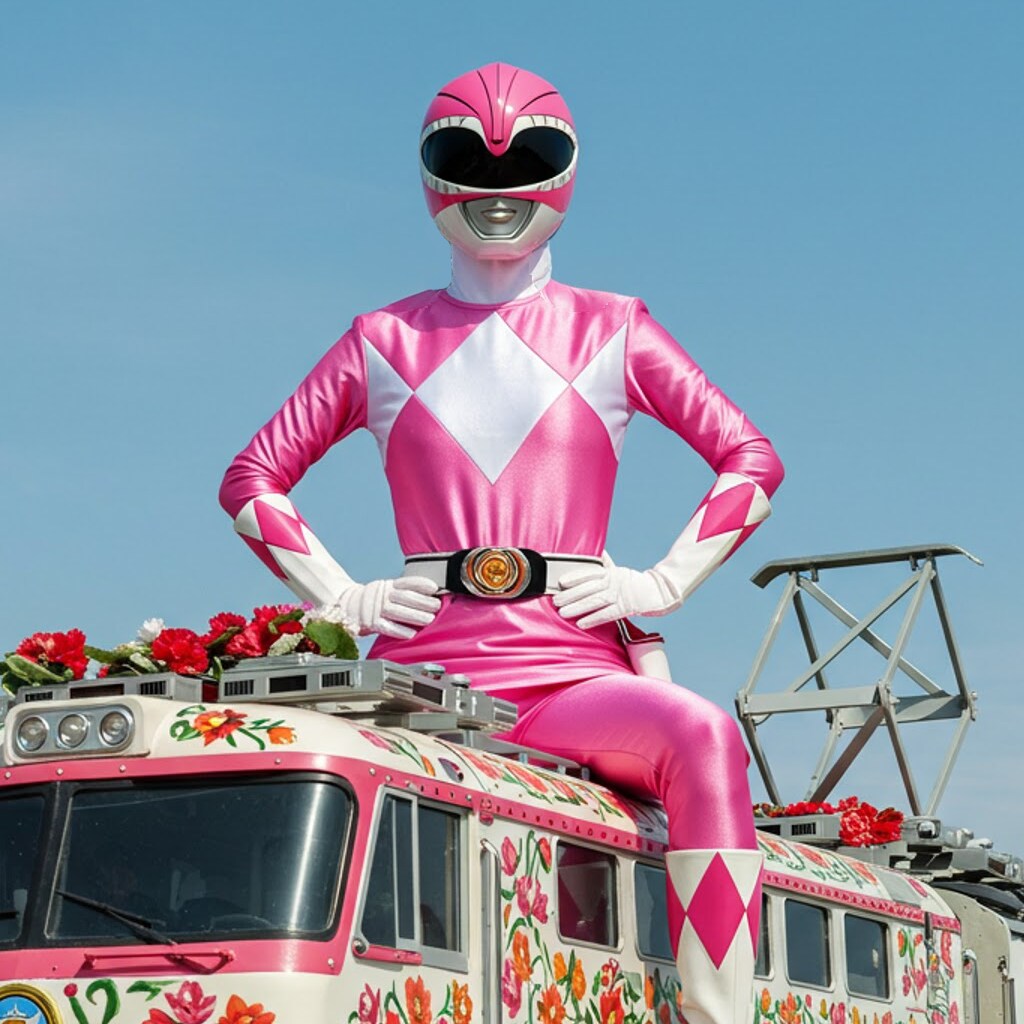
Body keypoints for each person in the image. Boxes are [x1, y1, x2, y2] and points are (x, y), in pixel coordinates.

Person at [220, 63, 783, 1024]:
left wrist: (661, 583)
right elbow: (251, 479)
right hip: (419, 677)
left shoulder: (615, 328)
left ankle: (716, 1014)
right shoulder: (380, 339)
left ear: (566, 169)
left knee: (702, 736)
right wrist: (344, 596)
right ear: (430, 174)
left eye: (527, 158)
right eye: (467, 160)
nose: (497, 188)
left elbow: (751, 460)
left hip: (572, 677)